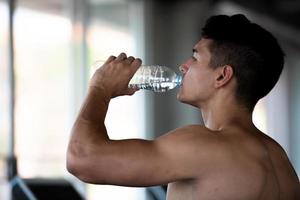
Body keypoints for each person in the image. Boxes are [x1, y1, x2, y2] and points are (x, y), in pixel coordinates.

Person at [66, 14, 300, 199]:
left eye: (195, 57)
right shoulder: (281, 162)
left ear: (222, 76)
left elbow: (82, 159)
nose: (183, 66)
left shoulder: (204, 145)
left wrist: (100, 89)